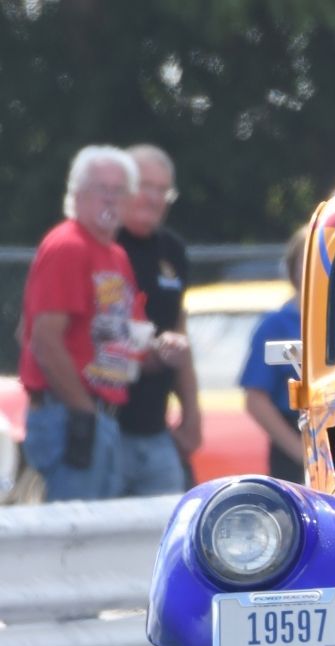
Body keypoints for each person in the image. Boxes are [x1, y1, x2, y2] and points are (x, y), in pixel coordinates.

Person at [18, 145, 154, 501]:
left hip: (100, 414)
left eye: (118, 190)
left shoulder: (115, 255)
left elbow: (129, 338)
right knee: (71, 542)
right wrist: (82, 412)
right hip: (70, 416)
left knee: (93, 540)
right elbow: (43, 340)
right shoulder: (68, 246)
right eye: (100, 188)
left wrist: (164, 350)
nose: (109, 198)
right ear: (76, 194)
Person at [116, 144, 202, 495]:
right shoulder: (103, 244)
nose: (153, 198)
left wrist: (192, 415)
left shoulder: (173, 251)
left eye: (162, 189)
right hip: (107, 426)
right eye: (144, 186)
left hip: (156, 428)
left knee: (164, 531)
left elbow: (179, 336)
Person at [239, 227, 306, 483]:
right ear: (294, 268)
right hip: (294, 440)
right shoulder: (276, 325)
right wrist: (300, 452)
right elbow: (256, 398)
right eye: (308, 258)